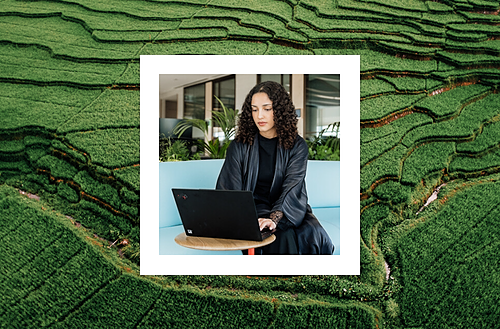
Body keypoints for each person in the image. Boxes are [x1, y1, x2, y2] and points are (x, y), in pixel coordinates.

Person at [216, 81, 334, 255]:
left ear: (279, 110)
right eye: (254, 109)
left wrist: (274, 218)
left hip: (288, 209)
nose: (260, 116)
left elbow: (292, 187)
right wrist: (246, 219)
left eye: (267, 109)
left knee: (310, 234)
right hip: (253, 209)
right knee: (282, 236)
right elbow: (229, 188)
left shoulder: (297, 146)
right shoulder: (239, 145)